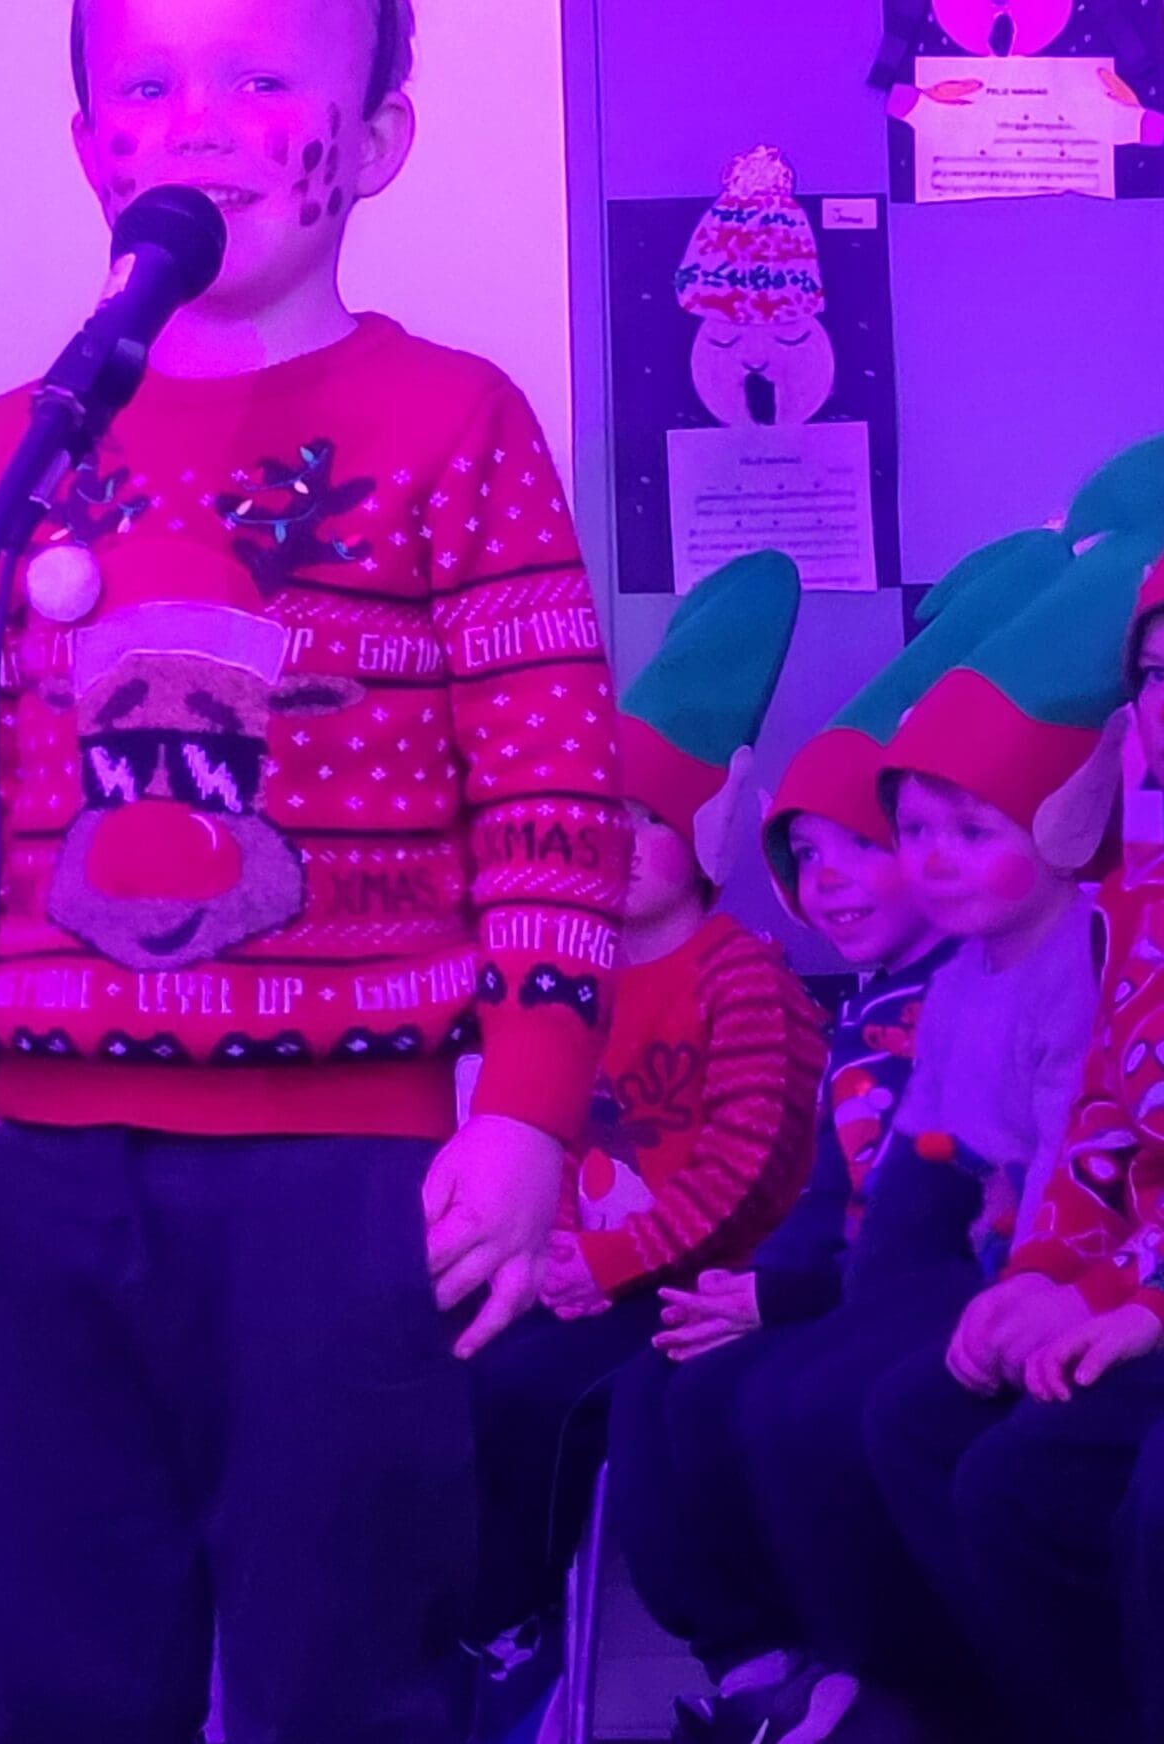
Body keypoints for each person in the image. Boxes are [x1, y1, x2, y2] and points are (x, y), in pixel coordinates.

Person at [0, 0, 630, 1743]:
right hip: (32, 1165)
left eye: (265, 83)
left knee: (337, 1658)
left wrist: (529, 1110)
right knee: (47, 1663)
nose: (199, 124)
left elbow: (553, 798)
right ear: (88, 142)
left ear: (375, 137)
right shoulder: (31, 426)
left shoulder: (452, 415)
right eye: (151, 84)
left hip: (343, 1167)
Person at [601, 529, 1066, 1743]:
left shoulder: (983, 990)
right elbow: (826, 1189)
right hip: (847, 1284)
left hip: (976, 1288)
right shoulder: (867, 1006)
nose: (837, 882)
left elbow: (955, 1207)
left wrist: (777, 1296)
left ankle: (905, 1689)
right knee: (658, 1392)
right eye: (809, 856)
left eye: (870, 846)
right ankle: (773, 1667)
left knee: (810, 1404)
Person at [466, 554, 823, 1737]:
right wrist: (542, 1250)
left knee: (532, 1394)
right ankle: (440, 1607)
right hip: (582, 1271)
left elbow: (747, 1166)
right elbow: (539, 1136)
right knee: (440, 1356)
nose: (613, 844)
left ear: (705, 837)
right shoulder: (568, 983)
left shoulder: (742, 979)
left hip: (694, 1290)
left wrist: (607, 1264)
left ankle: (515, 1627)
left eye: (646, 822)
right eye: (597, 820)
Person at [866, 514, 1164, 1744]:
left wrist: (1133, 1302)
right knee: (924, 1422)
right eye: (1158, 674)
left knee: (1087, 1493)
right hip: (1129, 1281)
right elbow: (1103, 1124)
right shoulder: (1139, 902)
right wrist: (1045, 1270)